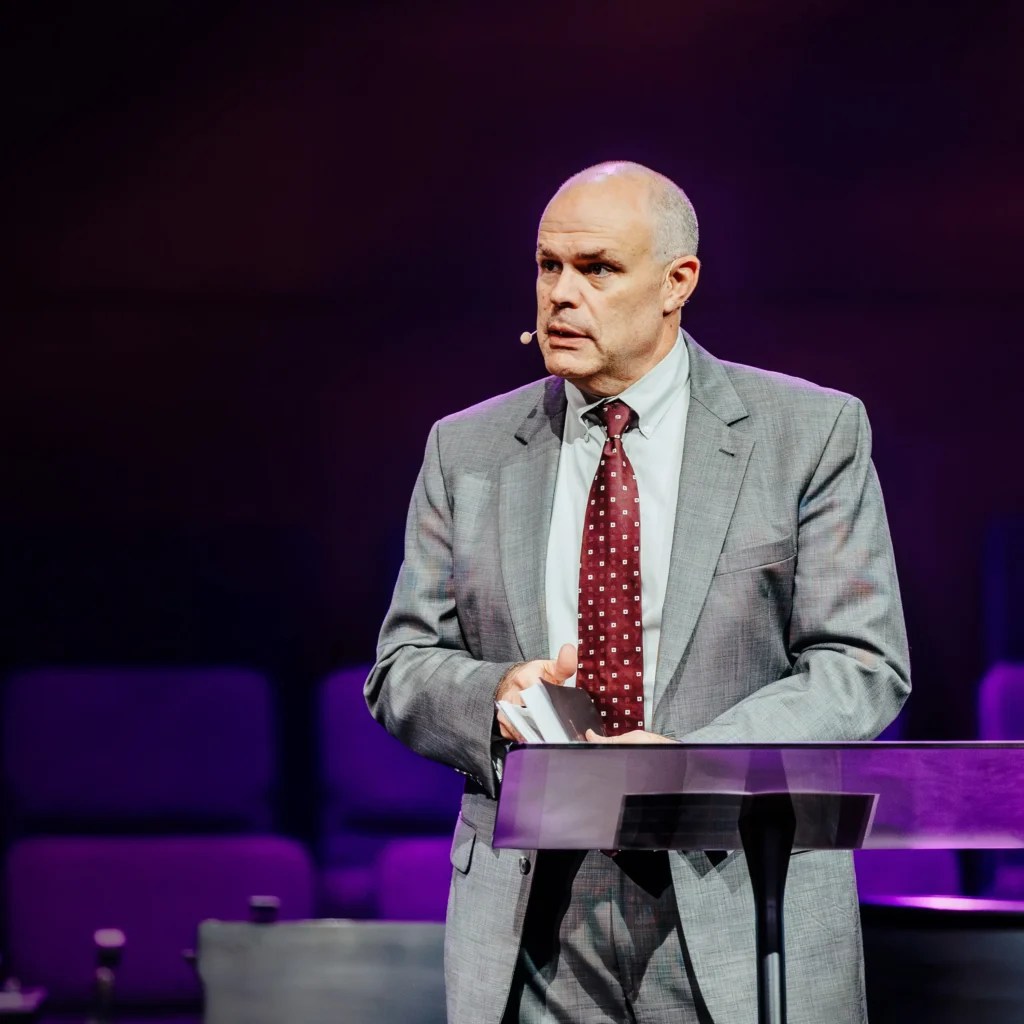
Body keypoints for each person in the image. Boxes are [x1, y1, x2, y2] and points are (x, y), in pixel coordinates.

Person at [365, 161, 910, 1023]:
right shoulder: (466, 451)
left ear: (676, 283)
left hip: (733, 890)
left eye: (598, 268)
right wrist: (494, 693)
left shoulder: (809, 434)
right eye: (548, 267)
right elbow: (401, 666)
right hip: (534, 913)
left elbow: (860, 664)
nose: (561, 295)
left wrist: (692, 767)